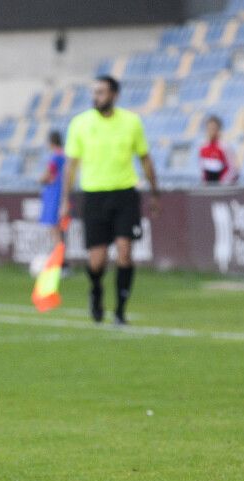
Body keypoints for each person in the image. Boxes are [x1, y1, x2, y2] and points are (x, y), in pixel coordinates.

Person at [60, 75, 160, 325]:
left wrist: (155, 191)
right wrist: (65, 198)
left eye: (102, 92)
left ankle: (120, 311)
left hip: (125, 193)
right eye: (95, 92)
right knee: (97, 259)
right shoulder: (80, 124)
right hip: (94, 195)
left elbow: (145, 158)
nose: (97, 97)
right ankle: (96, 290)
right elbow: (71, 165)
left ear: (114, 95)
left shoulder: (131, 122)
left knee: (125, 252)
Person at [37, 130, 66, 252]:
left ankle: (60, 263)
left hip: (54, 193)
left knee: (55, 229)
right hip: (61, 192)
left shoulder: (55, 156)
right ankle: (61, 261)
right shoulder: (65, 155)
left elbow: (48, 175)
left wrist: (41, 179)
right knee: (59, 229)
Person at [198, 115, 238, 184]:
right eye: (209, 129)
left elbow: (233, 169)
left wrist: (221, 183)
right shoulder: (203, 148)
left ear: (218, 130)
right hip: (208, 188)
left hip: (223, 187)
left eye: (213, 129)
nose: (211, 131)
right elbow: (203, 170)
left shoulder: (225, 147)